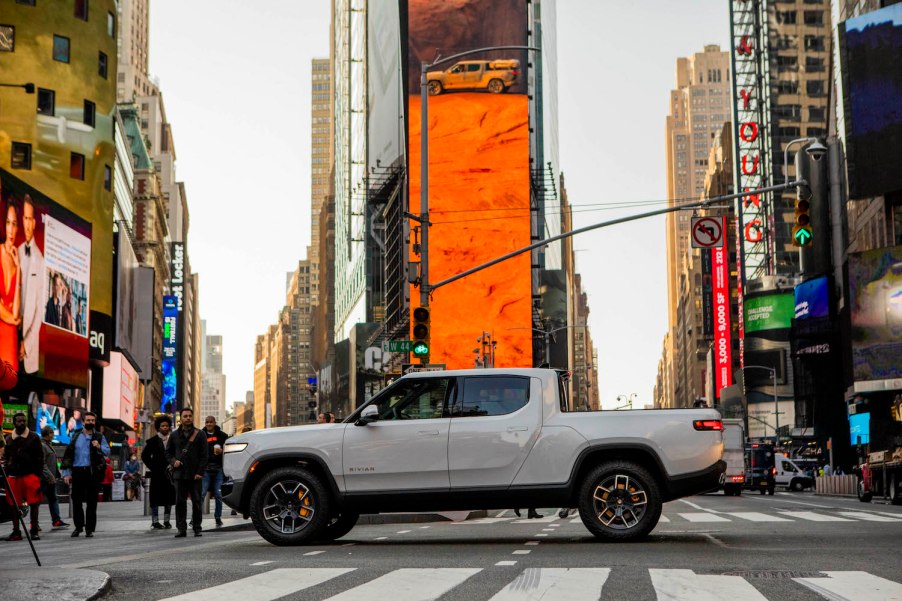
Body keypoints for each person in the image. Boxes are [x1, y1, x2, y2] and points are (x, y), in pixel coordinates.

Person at [61, 411, 110, 538]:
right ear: (83, 422)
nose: (90, 422)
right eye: (88, 420)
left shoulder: (99, 436)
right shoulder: (76, 435)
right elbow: (68, 454)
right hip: (77, 472)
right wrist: (66, 473)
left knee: (91, 502)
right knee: (76, 501)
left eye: (92, 420)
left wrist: (99, 446)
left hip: (92, 472)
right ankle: (78, 527)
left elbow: (107, 451)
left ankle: (89, 529)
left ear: (95, 422)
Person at [166, 408, 208, 538]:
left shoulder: (200, 434)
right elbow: (168, 453)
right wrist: (174, 462)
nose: (188, 418)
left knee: (196, 502)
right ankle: (181, 529)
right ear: (181, 418)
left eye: (190, 416)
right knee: (180, 502)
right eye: (185, 416)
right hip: (179, 474)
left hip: (195, 474)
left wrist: (200, 472)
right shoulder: (173, 435)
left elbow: (204, 455)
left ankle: (197, 528)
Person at [3, 413, 43, 541]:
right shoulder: (8, 439)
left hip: (30, 475)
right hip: (14, 475)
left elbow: (40, 458)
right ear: (14, 423)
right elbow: (5, 457)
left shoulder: (33, 437)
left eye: (24, 421)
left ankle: (34, 530)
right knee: (14, 505)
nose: (22, 423)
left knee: (34, 503)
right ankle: (16, 531)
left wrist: (38, 475)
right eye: (19, 421)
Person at [17, 195, 43, 376]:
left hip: (28, 349)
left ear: (34, 222)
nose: (26, 224)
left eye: (29, 219)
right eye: (24, 218)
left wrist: (26, 344)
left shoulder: (41, 260)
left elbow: (40, 310)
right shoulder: (16, 251)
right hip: (10, 336)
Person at [0, 201, 21, 391]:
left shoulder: (17, 262)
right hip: (2, 328)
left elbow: (15, 311)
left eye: (15, 224)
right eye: (8, 222)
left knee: (10, 379)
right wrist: (14, 320)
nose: (11, 229)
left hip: (10, 335)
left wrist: (19, 270)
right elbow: (13, 316)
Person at [141, 415, 175, 529]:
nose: (165, 428)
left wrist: (173, 465)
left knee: (169, 498)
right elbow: (144, 456)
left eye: (167, 426)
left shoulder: (173, 440)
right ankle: (155, 521)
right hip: (157, 474)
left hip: (170, 474)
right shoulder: (152, 441)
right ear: (158, 427)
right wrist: (153, 466)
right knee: (155, 498)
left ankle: (167, 521)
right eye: (162, 426)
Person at [201, 416, 229, 527]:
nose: (209, 424)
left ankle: (218, 518)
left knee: (218, 494)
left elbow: (228, 450)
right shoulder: (200, 435)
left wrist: (223, 451)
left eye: (211, 422)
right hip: (205, 469)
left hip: (218, 469)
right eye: (207, 422)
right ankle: (196, 518)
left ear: (214, 423)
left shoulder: (223, 436)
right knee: (202, 494)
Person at [39, 425, 68, 529]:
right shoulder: (42, 446)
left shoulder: (48, 445)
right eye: (52, 433)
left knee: (53, 499)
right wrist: (50, 476)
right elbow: (42, 463)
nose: (53, 435)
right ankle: (35, 523)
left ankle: (56, 520)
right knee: (37, 501)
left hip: (50, 479)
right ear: (48, 434)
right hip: (44, 479)